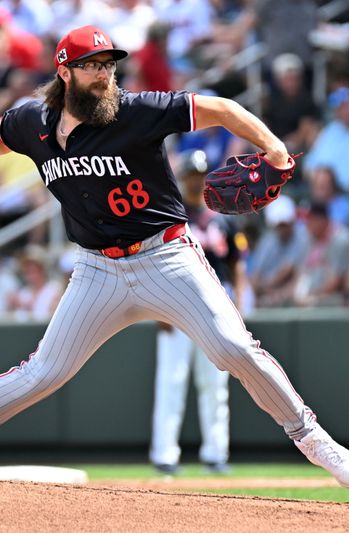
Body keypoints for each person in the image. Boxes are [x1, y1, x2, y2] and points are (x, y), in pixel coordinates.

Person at [0, 25, 349, 490]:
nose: (105, 74)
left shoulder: (136, 111)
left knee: (232, 349)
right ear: (64, 71)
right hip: (96, 270)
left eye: (109, 64)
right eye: (93, 65)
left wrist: (275, 148)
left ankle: (312, 438)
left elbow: (218, 108)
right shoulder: (32, 122)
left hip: (166, 257)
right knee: (42, 373)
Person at [149, 149, 244, 475]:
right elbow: (155, 264)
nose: (196, 180)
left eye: (201, 175)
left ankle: (216, 454)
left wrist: (239, 307)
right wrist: (158, 307)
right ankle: (165, 456)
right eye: (192, 174)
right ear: (183, 177)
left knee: (215, 386)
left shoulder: (220, 217)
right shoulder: (169, 213)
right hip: (176, 310)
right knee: (171, 383)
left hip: (216, 310)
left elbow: (235, 265)